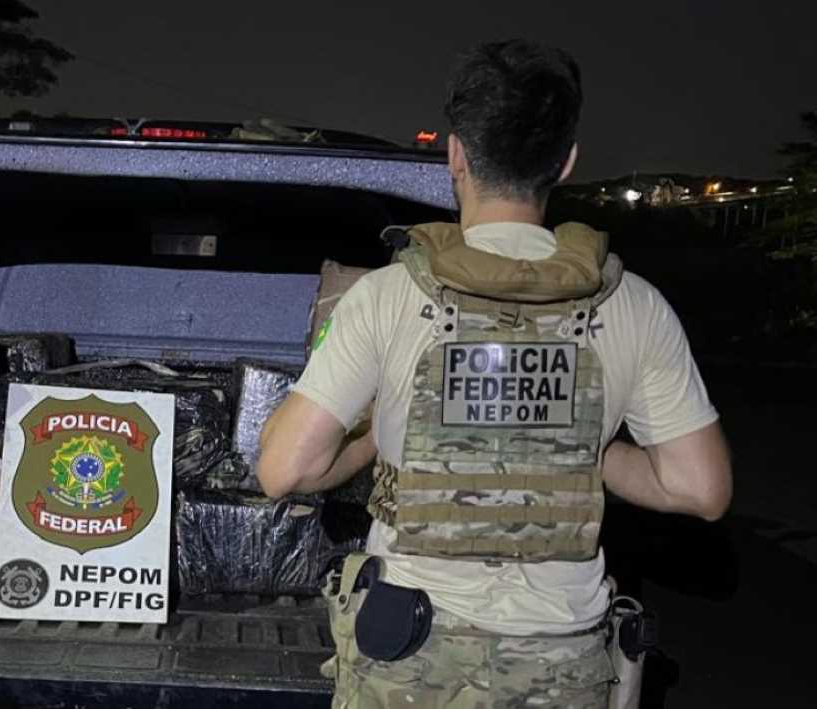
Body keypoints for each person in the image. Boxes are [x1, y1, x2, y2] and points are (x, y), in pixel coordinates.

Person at [256, 39, 732, 708]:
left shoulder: (389, 296)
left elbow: (284, 469)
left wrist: (370, 439)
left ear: (456, 154)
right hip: (561, 664)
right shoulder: (632, 304)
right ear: (566, 160)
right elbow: (700, 487)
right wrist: (576, 450)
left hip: (409, 656)